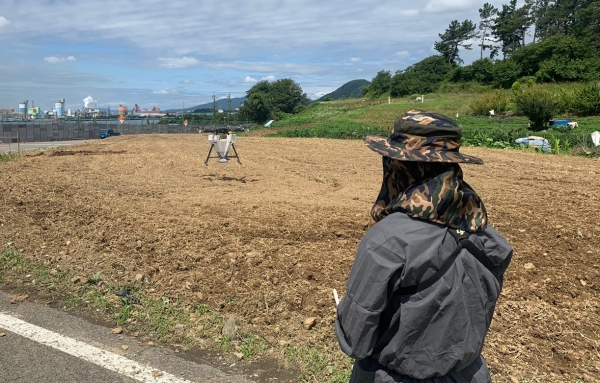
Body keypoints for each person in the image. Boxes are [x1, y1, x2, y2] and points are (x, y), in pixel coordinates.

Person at [335, 110, 513, 383]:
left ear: (398, 166)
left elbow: (355, 341)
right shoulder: (490, 239)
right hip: (471, 375)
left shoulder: (387, 241)